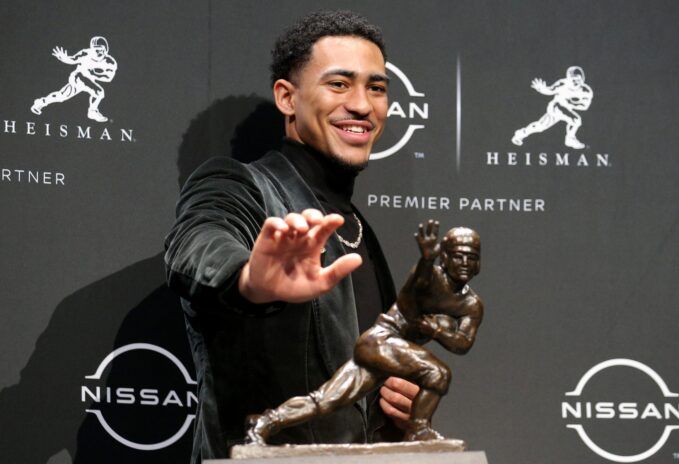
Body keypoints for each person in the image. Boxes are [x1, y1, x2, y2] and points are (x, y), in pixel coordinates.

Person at [164, 10, 419, 463]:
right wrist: (249, 281)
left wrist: (395, 406)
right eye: (339, 84)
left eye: (376, 87)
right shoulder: (239, 184)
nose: (362, 104)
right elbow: (198, 242)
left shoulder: (357, 226)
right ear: (287, 97)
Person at [246, 221, 484, 444]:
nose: (464, 262)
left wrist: (437, 331)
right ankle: (418, 429)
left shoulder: (471, 305)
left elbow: (462, 343)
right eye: (458, 256)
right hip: (382, 340)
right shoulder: (430, 277)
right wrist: (426, 259)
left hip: (388, 355)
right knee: (438, 373)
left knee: (325, 400)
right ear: (444, 257)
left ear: (479, 264)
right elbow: (417, 285)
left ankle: (265, 422)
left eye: (471, 258)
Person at [31, 36, 117, 122]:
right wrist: (64, 58)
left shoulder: (110, 62)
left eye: (102, 49)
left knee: (61, 96)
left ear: (106, 49)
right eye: (96, 49)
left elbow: (109, 78)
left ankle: (41, 102)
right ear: (91, 49)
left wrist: (94, 74)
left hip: (89, 81)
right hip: (78, 77)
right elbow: (73, 60)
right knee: (98, 92)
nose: (99, 52)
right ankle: (92, 111)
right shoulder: (85, 54)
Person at [511, 66, 593, 149]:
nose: (576, 82)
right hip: (555, 107)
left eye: (578, 79)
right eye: (573, 79)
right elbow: (550, 90)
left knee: (540, 126)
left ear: (582, 79)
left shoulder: (586, 91)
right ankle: (570, 139)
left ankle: (521, 133)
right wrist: (541, 89)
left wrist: (570, 103)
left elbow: (585, 106)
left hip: (566, 110)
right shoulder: (562, 84)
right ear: (568, 78)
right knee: (575, 120)